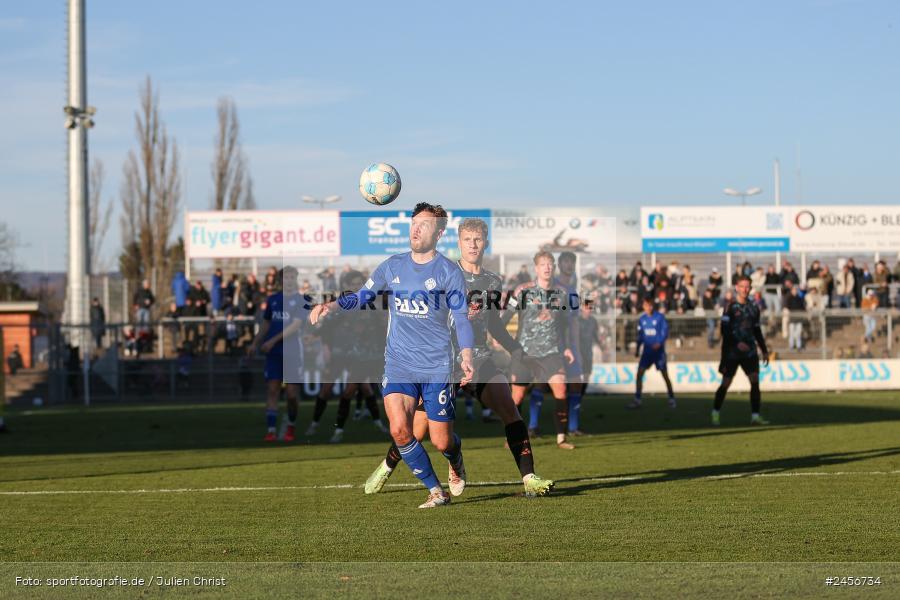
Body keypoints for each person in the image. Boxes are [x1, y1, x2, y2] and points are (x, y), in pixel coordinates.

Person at [365, 218, 554, 498]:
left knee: (509, 409)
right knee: (418, 432)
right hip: (442, 362)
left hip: (479, 359)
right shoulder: (444, 271)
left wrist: (518, 352)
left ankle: (529, 478)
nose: (473, 245)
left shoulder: (492, 281)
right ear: (459, 243)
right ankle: (387, 465)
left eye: (478, 239)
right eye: (467, 240)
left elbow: (494, 325)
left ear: (485, 242)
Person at [310, 202, 474, 509]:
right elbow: (361, 296)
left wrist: (466, 356)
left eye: (424, 224)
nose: (416, 229)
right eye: (414, 223)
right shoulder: (392, 266)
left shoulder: (449, 272)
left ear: (439, 233)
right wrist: (329, 306)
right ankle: (436, 491)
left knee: (441, 441)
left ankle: (455, 457)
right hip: (399, 363)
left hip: (437, 365)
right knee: (400, 430)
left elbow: (462, 318)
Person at [504, 251, 577, 450]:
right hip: (525, 352)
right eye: (543, 264)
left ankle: (561, 438)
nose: (547, 267)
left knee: (561, 389)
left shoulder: (562, 293)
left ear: (554, 268)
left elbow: (564, 324)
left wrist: (568, 347)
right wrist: (504, 341)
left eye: (550, 264)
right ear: (536, 268)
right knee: (517, 397)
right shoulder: (522, 291)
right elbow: (505, 317)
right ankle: (512, 438)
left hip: (552, 352)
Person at [306, 269, 388, 442]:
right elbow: (326, 328)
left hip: (360, 356)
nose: (358, 286)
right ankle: (315, 423)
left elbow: (379, 327)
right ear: (346, 286)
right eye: (354, 283)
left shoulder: (369, 303)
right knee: (327, 389)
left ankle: (364, 425)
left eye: (360, 283)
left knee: (361, 388)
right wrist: (326, 346)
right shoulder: (342, 305)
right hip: (340, 354)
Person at [248, 266, 309, 443]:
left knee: (291, 394)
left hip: (292, 352)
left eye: (292, 277)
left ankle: (290, 426)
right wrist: (254, 343)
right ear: (280, 280)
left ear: (295, 279)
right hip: (273, 353)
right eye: (285, 277)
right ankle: (271, 430)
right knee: (272, 390)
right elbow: (266, 324)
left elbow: (295, 326)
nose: (288, 280)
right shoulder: (273, 299)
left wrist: (272, 341)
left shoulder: (302, 300)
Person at [711, 276, 770, 426]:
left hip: (749, 352)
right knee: (726, 382)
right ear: (736, 288)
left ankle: (755, 416)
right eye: (742, 286)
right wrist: (737, 344)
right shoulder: (730, 307)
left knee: (755, 380)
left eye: (747, 287)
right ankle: (715, 412)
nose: (745, 289)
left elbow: (757, 330)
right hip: (732, 352)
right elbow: (724, 330)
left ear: (750, 289)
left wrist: (764, 350)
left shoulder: (754, 308)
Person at [629, 297, 676, 409]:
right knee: (639, 374)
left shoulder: (659, 317)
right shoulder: (642, 319)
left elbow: (665, 332)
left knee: (665, 375)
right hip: (646, 352)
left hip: (658, 353)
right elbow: (640, 336)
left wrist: (659, 343)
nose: (647, 308)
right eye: (645, 305)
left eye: (649, 305)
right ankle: (637, 399)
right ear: (643, 306)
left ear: (652, 306)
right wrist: (637, 349)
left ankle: (671, 398)